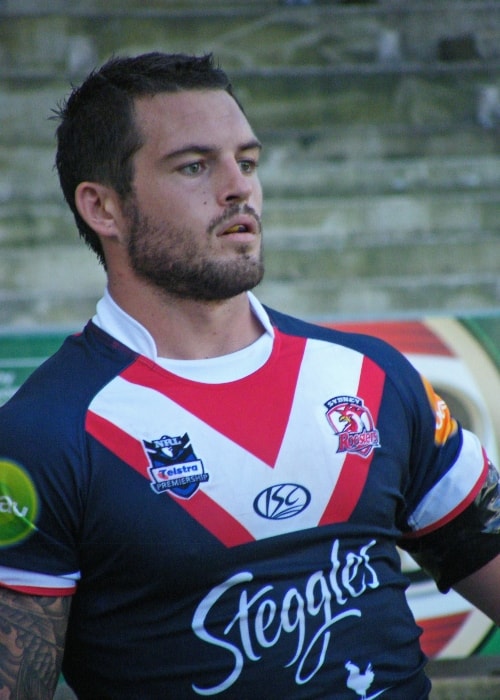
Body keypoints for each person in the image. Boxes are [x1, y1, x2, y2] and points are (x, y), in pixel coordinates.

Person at [0, 51, 499, 700]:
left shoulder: (373, 378)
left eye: (248, 161)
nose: (239, 187)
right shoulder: (45, 434)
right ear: (103, 209)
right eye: (193, 166)